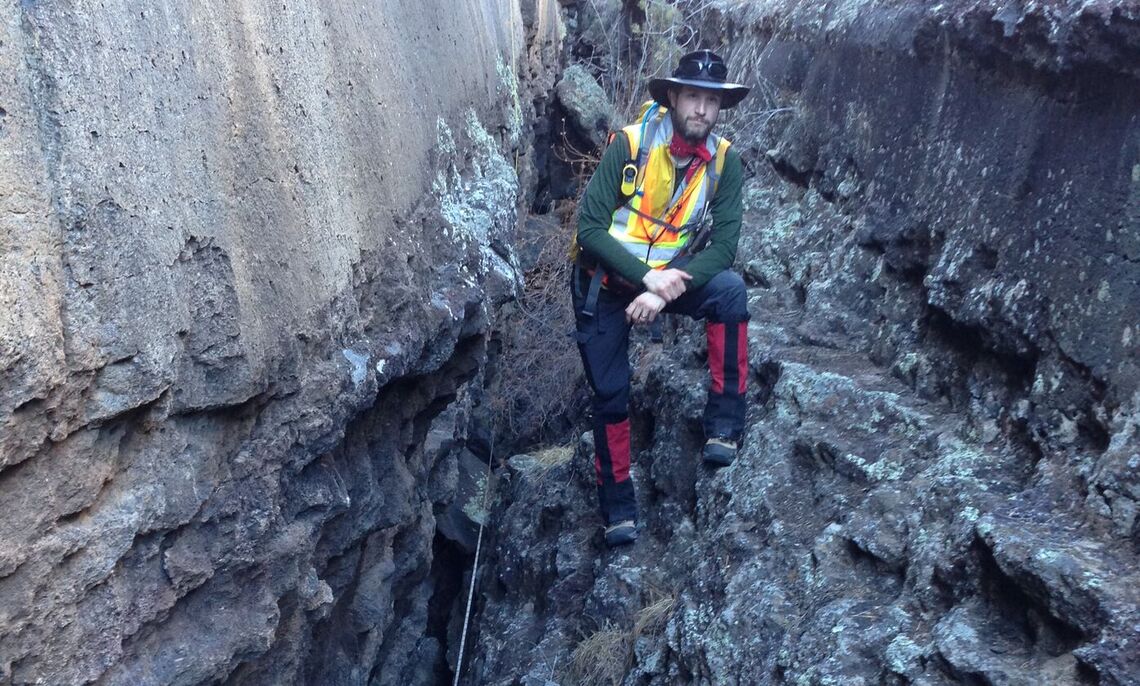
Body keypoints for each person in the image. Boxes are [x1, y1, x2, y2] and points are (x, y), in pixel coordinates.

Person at [571, 50, 751, 547]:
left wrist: (670, 282)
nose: (702, 109)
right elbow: (589, 229)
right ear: (673, 97)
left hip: (665, 282)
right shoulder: (629, 145)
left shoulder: (725, 163)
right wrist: (647, 278)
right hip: (603, 286)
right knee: (611, 396)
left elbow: (725, 248)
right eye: (693, 96)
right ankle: (619, 510)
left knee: (731, 294)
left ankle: (724, 428)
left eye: (711, 101)